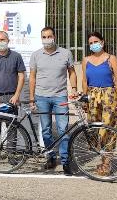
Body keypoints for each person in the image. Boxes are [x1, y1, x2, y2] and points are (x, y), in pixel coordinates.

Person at [29, 26, 78, 176]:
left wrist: (74, 89)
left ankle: (65, 161)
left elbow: (72, 72)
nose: (46, 39)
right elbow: (32, 77)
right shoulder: (36, 55)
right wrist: (32, 97)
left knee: (63, 130)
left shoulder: (65, 53)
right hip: (41, 97)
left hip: (60, 97)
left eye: (49, 36)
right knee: (46, 130)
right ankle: (50, 157)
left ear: (54, 37)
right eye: (44, 37)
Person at [82, 31, 117, 176]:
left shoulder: (111, 59)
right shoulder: (86, 60)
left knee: (108, 128)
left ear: (102, 42)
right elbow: (84, 81)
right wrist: (85, 98)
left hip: (109, 96)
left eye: (96, 42)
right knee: (93, 129)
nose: (93, 45)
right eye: (91, 43)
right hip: (92, 97)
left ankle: (106, 163)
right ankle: (102, 157)